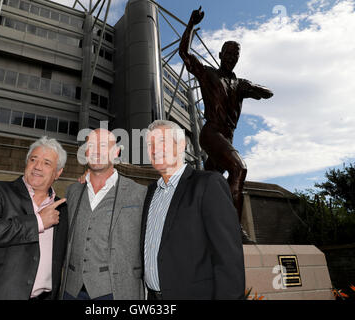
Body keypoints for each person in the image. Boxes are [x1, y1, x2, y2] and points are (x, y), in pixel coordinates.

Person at [179, 7, 273, 226]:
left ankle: (191, 215)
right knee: (239, 169)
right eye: (228, 53)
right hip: (212, 133)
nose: (231, 57)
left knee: (207, 182)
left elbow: (268, 93)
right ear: (220, 55)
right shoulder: (208, 74)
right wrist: (191, 24)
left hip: (227, 138)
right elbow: (184, 52)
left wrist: (253, 87)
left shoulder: (240, 84)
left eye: (235, 55)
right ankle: (234, 228)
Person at [141, 120, 245, 300]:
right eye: (150, 144)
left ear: (181, 145)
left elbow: (229, 258)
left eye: (162, 142)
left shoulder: (208, 184)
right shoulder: (150, 192)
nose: (154, 149)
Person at [0, 136, 68, 300]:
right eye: (33, 159)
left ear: (58, 173)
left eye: (46, 163)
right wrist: (37, 222)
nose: (37, 167)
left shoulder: (62, 209)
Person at [60, 128, 147, 300]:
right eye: (91, 145)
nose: (97, 151)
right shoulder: (73, 191)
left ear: (116, 152)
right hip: (72, 289)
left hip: (117, 290)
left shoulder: (139, 193)